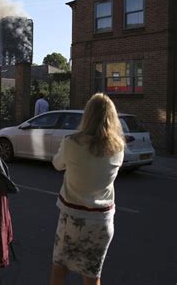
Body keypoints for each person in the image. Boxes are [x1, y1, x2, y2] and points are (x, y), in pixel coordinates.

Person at [50, 93, 125, 285]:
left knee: (60, 270)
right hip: (102, 221)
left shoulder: (71, 142)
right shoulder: (118, 148)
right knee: (92, 276)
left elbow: (57, 164)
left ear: (87, 115)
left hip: (73, 219)